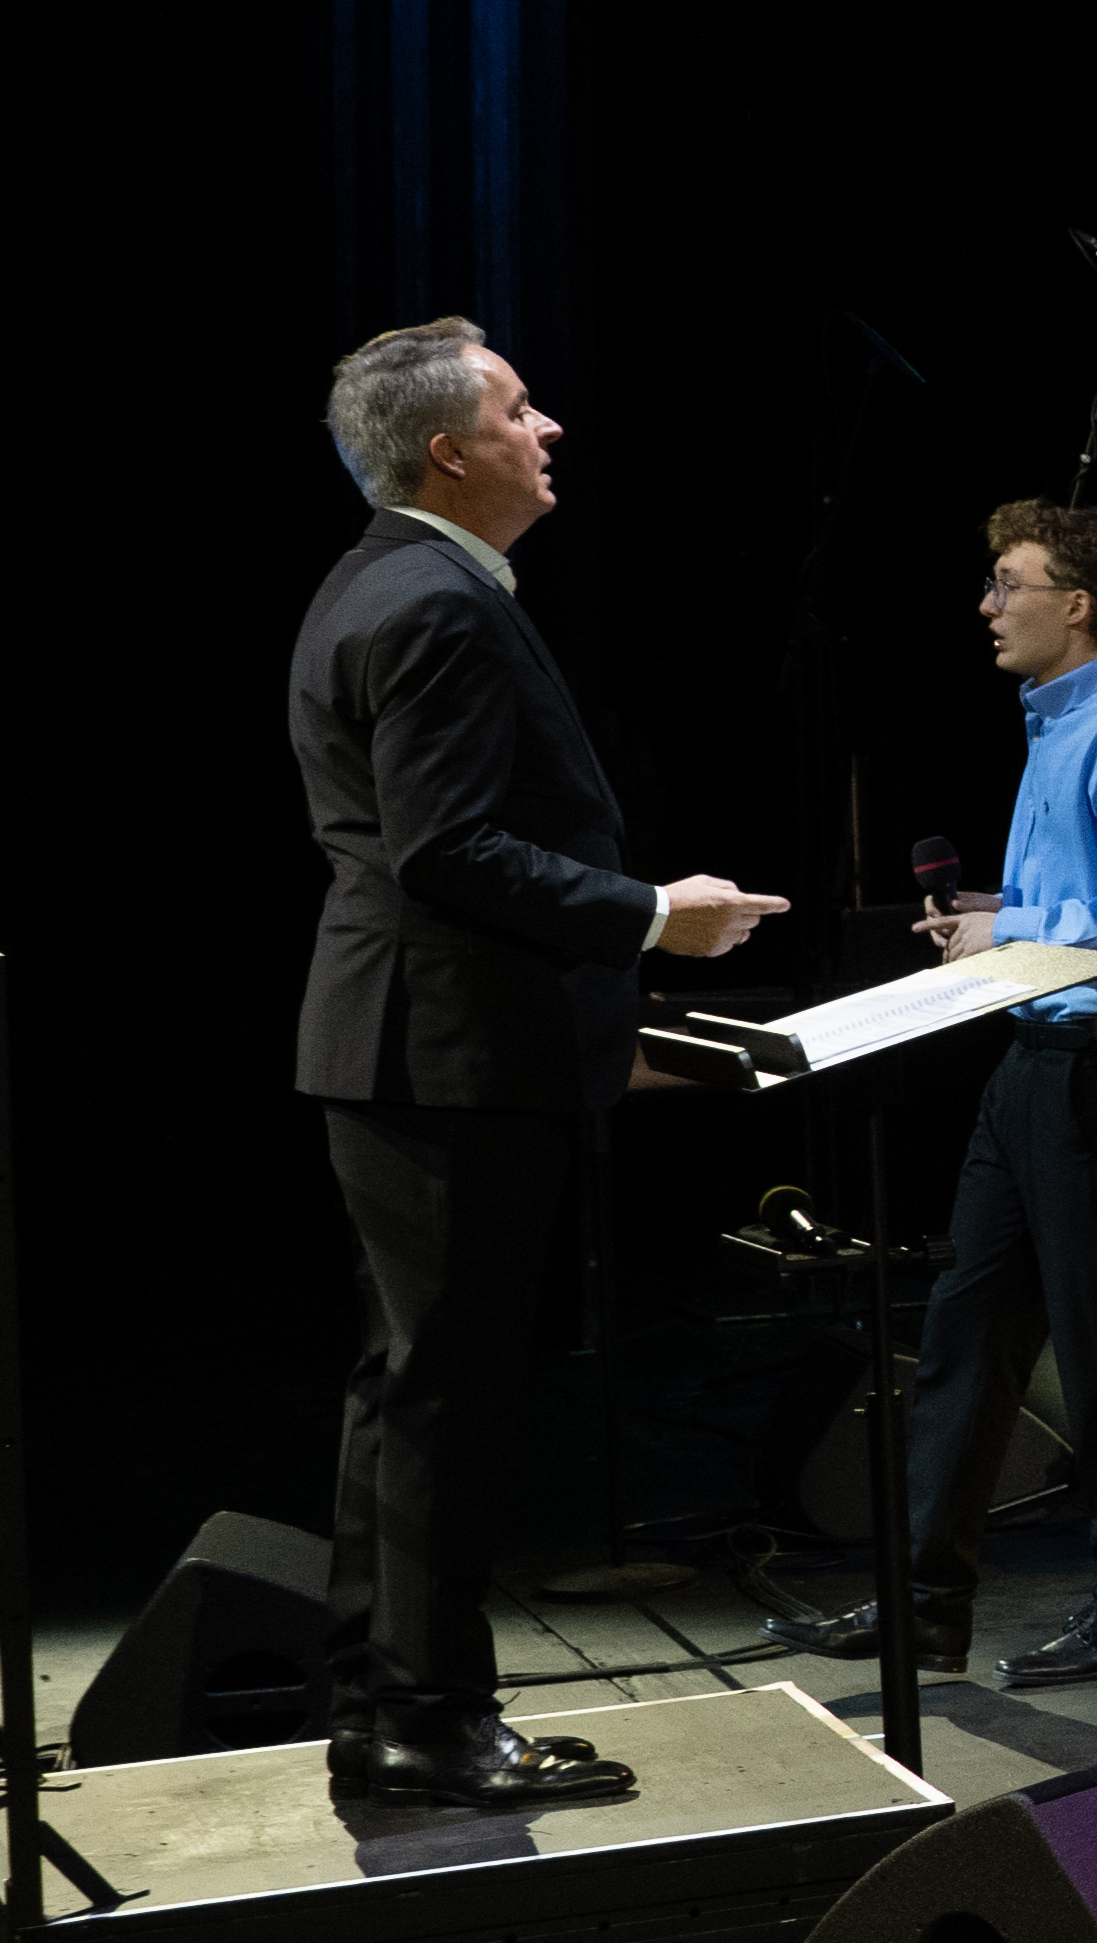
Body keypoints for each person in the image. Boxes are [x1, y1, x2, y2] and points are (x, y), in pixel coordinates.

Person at [289, 323, 782, 1799]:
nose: (548, 424)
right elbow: (447, 850)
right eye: (516, 407)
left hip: (410, 1046)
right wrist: (652, 915)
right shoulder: (433, 601)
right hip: (446, 1058)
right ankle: (432, 1724)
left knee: (409, 1387)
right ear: (449, 451)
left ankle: (384, 1704)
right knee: (446, 1398)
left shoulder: (387, 577)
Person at [891, 502, 1097, 1686]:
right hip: (1035, 1061)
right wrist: (997, 915)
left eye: (1007, 582)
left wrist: (1014, 927)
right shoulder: (1058, 722)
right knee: (964, 1334)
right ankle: (923, 1607)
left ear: (1075, 604)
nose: (987, 603)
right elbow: (1086, 901)